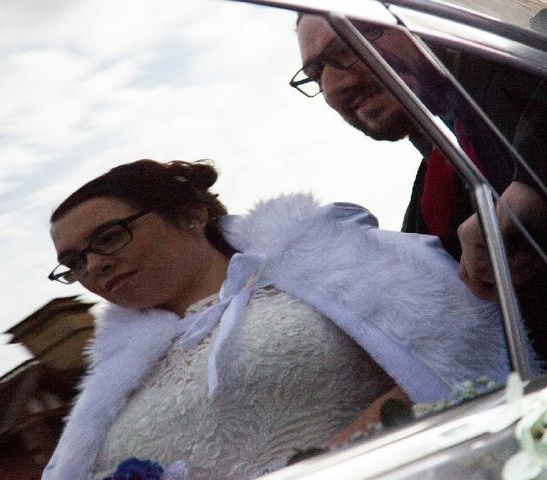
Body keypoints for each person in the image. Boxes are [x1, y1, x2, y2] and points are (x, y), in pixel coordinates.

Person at [42, 159, 516, 480]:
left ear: (190, 214)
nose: (94, 266)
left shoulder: (329, 262)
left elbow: (456, 355)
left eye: (108, 237)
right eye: (75, 262)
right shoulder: (112, 378)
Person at [294, 13, 547, 355]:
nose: (334, 85)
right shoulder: (432, 189)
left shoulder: (514, 65)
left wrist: (532, 185)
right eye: (315, 73)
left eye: (347, 45)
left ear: (412, 20)